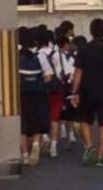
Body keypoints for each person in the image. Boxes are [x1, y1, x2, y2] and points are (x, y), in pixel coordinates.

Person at [71, 19, 103, 167]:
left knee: (84, 120)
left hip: (86, 91)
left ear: (91, 31)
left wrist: (74, 92)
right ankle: (100, 157)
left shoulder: (83, 49)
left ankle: (89, 146)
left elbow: (78, 73)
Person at [19, 29, 50, 166]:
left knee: (22, 126)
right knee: (37, 120)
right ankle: (36, 144)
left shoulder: (15, 55)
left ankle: (25, 155)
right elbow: (48, 76)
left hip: (21, 94)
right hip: (38, 93)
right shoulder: (40, 55)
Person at [49, 35, 76, 154]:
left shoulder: (54, 55)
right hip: (67, 86)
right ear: (65, 44)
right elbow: (71, 71)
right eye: (68, 44)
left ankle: (57, 141)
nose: (69, 46)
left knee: (56, 115)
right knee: (69, 111)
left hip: (57, 86)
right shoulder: (69, 57)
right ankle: (70, 134)